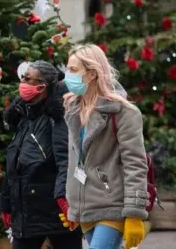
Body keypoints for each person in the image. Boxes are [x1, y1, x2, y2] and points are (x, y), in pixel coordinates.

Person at [59, 44, 149, 249]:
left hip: (113, 206)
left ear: (91, 74)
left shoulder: (124, 112)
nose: (67, 75)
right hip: (86, 210)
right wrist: (73, 205)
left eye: (73, 70)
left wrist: (134, 213)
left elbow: (135, 164)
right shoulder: (72, 109)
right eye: (67, 68)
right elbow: (73, 162)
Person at [0, 60, 83, 249]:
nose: (22, 82)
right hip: (27, 213)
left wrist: (63, 198)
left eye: (28, 78)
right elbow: (14, 164)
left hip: (56, 213)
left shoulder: (57, 118)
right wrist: (5, 201)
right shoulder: (24, 116)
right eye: (23, 77)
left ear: (42, 86)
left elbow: (66, 160)